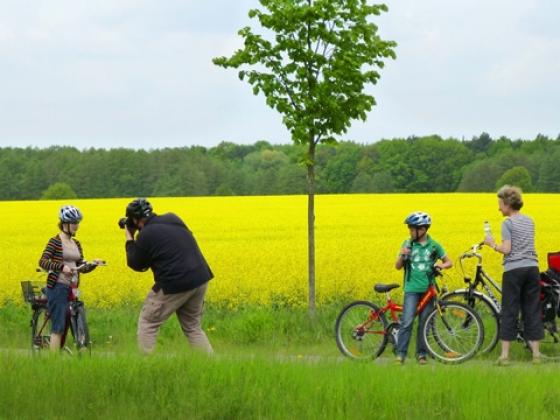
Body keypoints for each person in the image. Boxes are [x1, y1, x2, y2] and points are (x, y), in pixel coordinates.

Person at [123, 198, 214, 354]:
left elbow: (136, 264)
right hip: (200, 277)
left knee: (148, 322)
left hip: (175, 283)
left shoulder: (145, 234)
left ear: (135, 220)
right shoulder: (173, 218)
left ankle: (147, 365)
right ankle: (211, 366)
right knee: (193, 327)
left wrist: (129, 237)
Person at [484, 185, 543, 365]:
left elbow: (507, 249)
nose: (499, 208)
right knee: (532, 310)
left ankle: (504, 356)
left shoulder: (507, 223)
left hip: (514, 270)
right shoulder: (530, 221)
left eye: (500, 204)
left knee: (509, 310)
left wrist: (492, 243)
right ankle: (536, 355)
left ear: (508, 204)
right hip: (532, 269)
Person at [394, 211, 452, 364]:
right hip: (411, 289)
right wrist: (402, 255)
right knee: (407, 322)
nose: (410, 232)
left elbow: (449, 262)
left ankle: (421, 354)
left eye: (412, 229)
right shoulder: (407, 244)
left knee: (424, 323)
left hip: (428, 289)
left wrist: (441, 265)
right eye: (410, 229)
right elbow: (398, 266)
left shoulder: (434, 245)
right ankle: (400, 354)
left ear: (423, 229)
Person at [38, 205, 98, 352]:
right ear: (65, 224)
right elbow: (43, 261)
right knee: (58, 325)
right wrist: (61, 267)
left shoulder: (76, 243)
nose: (77, 226)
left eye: (78, 222)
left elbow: (80, 264)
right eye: (74, 222)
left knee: (74, 316)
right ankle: (53, 362)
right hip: (58, 287)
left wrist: (92, 264)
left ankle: (80, 347)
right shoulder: (55, 241)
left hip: (72, 287)